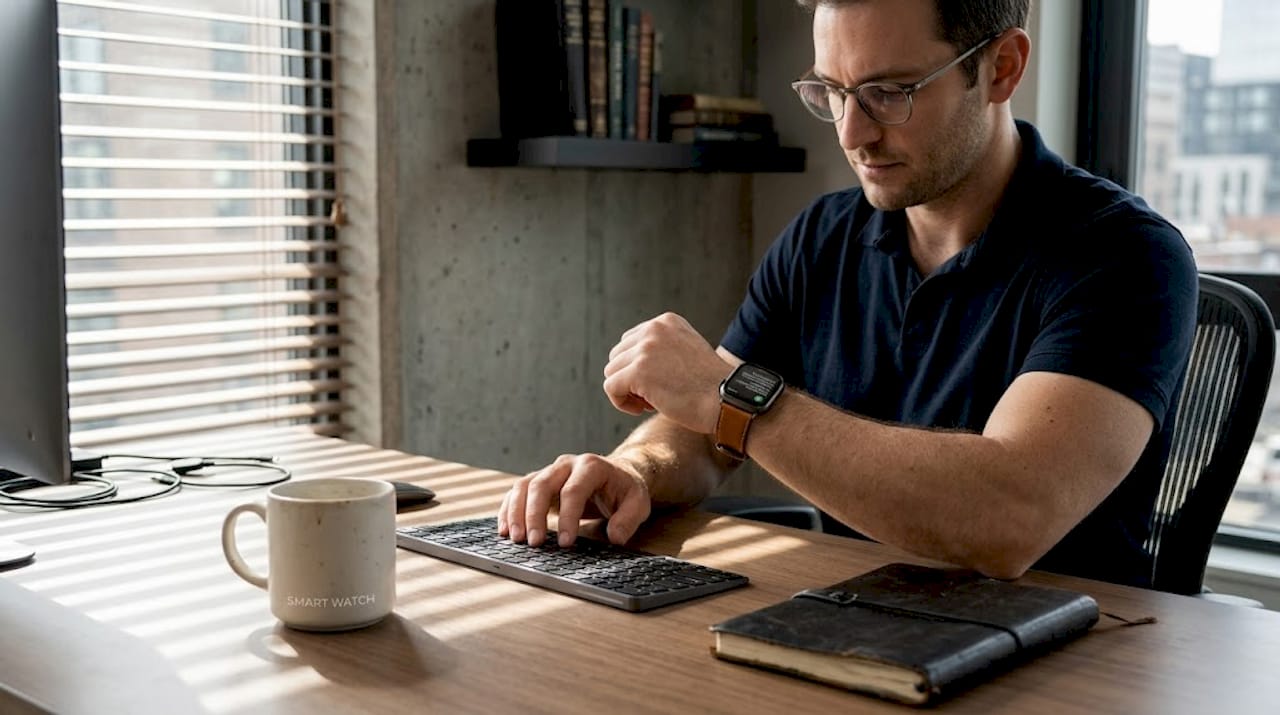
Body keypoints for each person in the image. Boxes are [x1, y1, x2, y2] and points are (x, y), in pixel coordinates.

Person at [498, 0, 1197, 588]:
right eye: (831, 91)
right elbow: (708, 433)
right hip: (857, 620)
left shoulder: (1128, 256)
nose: (853, 132)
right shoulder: (821, 237)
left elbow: (1007, 519)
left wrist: (733, 396)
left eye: (890, 92)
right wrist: (635, 471)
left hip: (1069, 657)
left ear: (1002, 67)